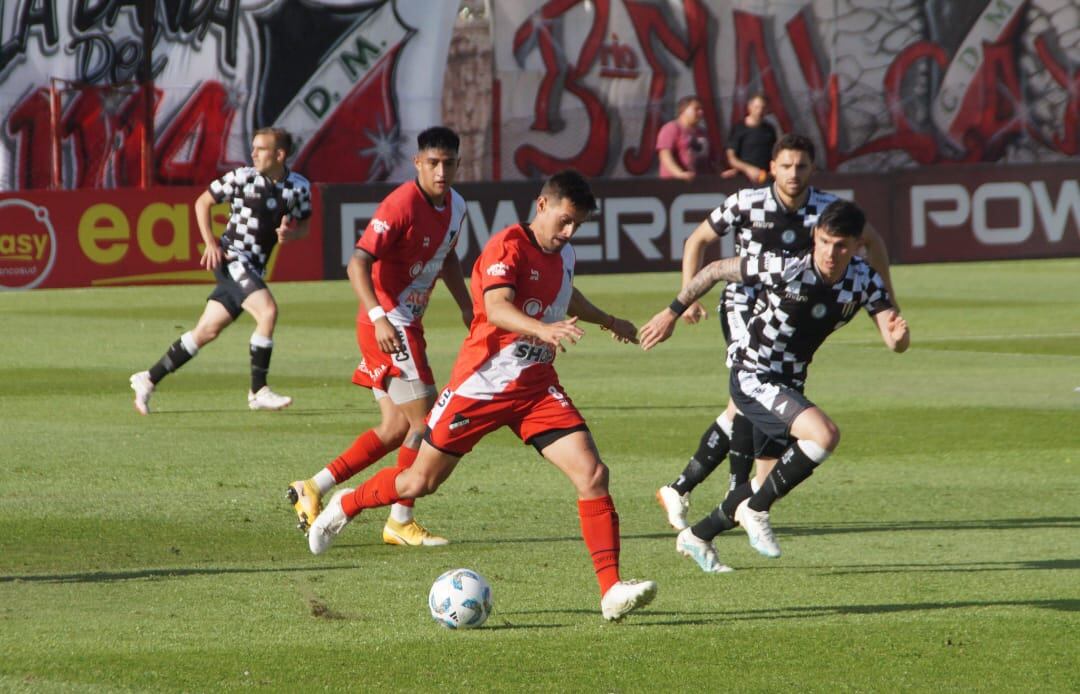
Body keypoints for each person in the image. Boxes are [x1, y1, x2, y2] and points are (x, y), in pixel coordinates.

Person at [305, 170, 658, 621]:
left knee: (592, 474)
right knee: (418, 483)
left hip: (536, 389)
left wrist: (610, 321)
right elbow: (494, 307)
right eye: (566, 221)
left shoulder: (564, 253)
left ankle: (610, 590)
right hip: (480, 387)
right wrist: (542, 329)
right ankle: (347, 503)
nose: (569, 233)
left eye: (578, 226)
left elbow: (566, 297)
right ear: (543, 205)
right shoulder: (506, 245)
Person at [640, 199, 909, 572]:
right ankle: (755, 510)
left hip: (790, 381)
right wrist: (671, 312)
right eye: (825, 242)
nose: (831, 253)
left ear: (856, 246)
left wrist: (898, 338)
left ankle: (698, 536)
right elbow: (717, 268)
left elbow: (893, 340)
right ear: (815, 236)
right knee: (824, 435)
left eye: (842, 246)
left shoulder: (863, 279)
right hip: (754, 374)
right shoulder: (787, 265)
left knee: (765, 483)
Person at [286, 126, 472, 546]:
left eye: (449, 164)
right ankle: (399, 520)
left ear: (459, 165)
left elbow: (448, 258)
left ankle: (313, 486)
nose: (441, 172)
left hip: (407, 323)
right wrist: (379, 316)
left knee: (394, 428)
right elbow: (357, 262)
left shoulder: (457, 206)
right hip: (388, 324)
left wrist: (465, 304)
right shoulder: (402, 202)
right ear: (418, 164)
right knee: (425, 425)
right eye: (433, 163)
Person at [129, 127, 311, 414]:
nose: (253, 153)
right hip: (233, 260)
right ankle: (258, 390)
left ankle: (148, 378)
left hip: (254, 267)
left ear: (279, 155)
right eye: (253, 147)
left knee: (206, 331)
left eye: (260, 149)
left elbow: (304, 226)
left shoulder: (299, 187)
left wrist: (290, 235)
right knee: (268, 312)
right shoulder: (242, 178)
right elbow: (203, 202)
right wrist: (210, 242)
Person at [656, 95, 715, 181]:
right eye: (696, 109)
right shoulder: (671, 128)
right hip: (675, 184)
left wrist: (721, 173)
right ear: (683, 110)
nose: (701, 112)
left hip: (701, 184)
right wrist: (679, 174)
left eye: (701, 109)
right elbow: (665, 155)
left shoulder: (703, 132)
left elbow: (712, 159)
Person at [722, 93, 777, 184]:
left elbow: (775, 154)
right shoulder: (739, 128)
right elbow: (731, 157)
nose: (760, 111)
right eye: (757, 107)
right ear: (749, 107)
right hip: (743, 178)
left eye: (763, 108)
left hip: (766, 178)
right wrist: (748, 169)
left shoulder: (770, 129)